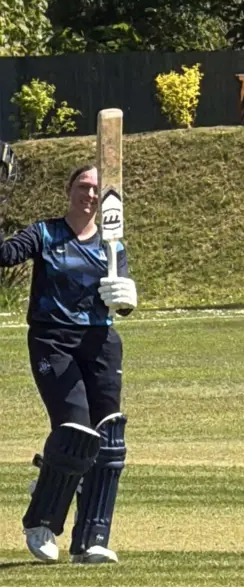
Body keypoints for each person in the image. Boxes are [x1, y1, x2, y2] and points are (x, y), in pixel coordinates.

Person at [0, 164, 137, 564]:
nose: (89, 195)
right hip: (51, 339)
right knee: (74, 428)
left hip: (100, 341)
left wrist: (126, 296)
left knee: (107, 437)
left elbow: (123, 305)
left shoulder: (113, 245)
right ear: (69, 190)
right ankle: (42, 522)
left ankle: (92, 538)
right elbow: (5, 255)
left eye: (96, 189)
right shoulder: (45, 233)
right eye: (83, 186)